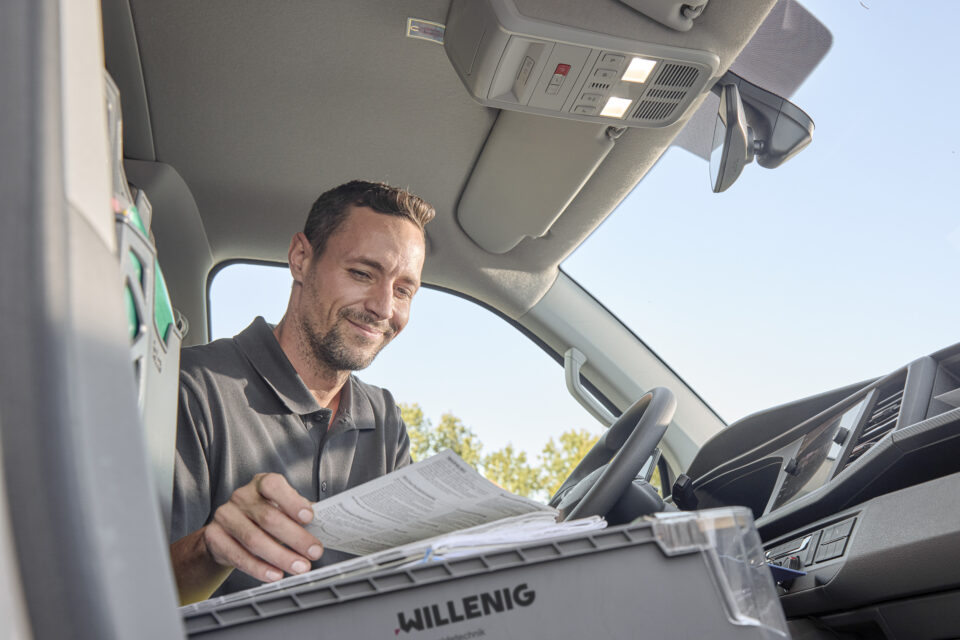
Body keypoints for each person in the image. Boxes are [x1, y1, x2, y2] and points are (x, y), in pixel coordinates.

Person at [169, 180, 435, 604]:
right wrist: (213, 545)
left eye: (403, 290)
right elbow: (134, 589)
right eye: (362, 274)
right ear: (301, 258)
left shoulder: (384, 417)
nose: (383, 308)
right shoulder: (194, 386)